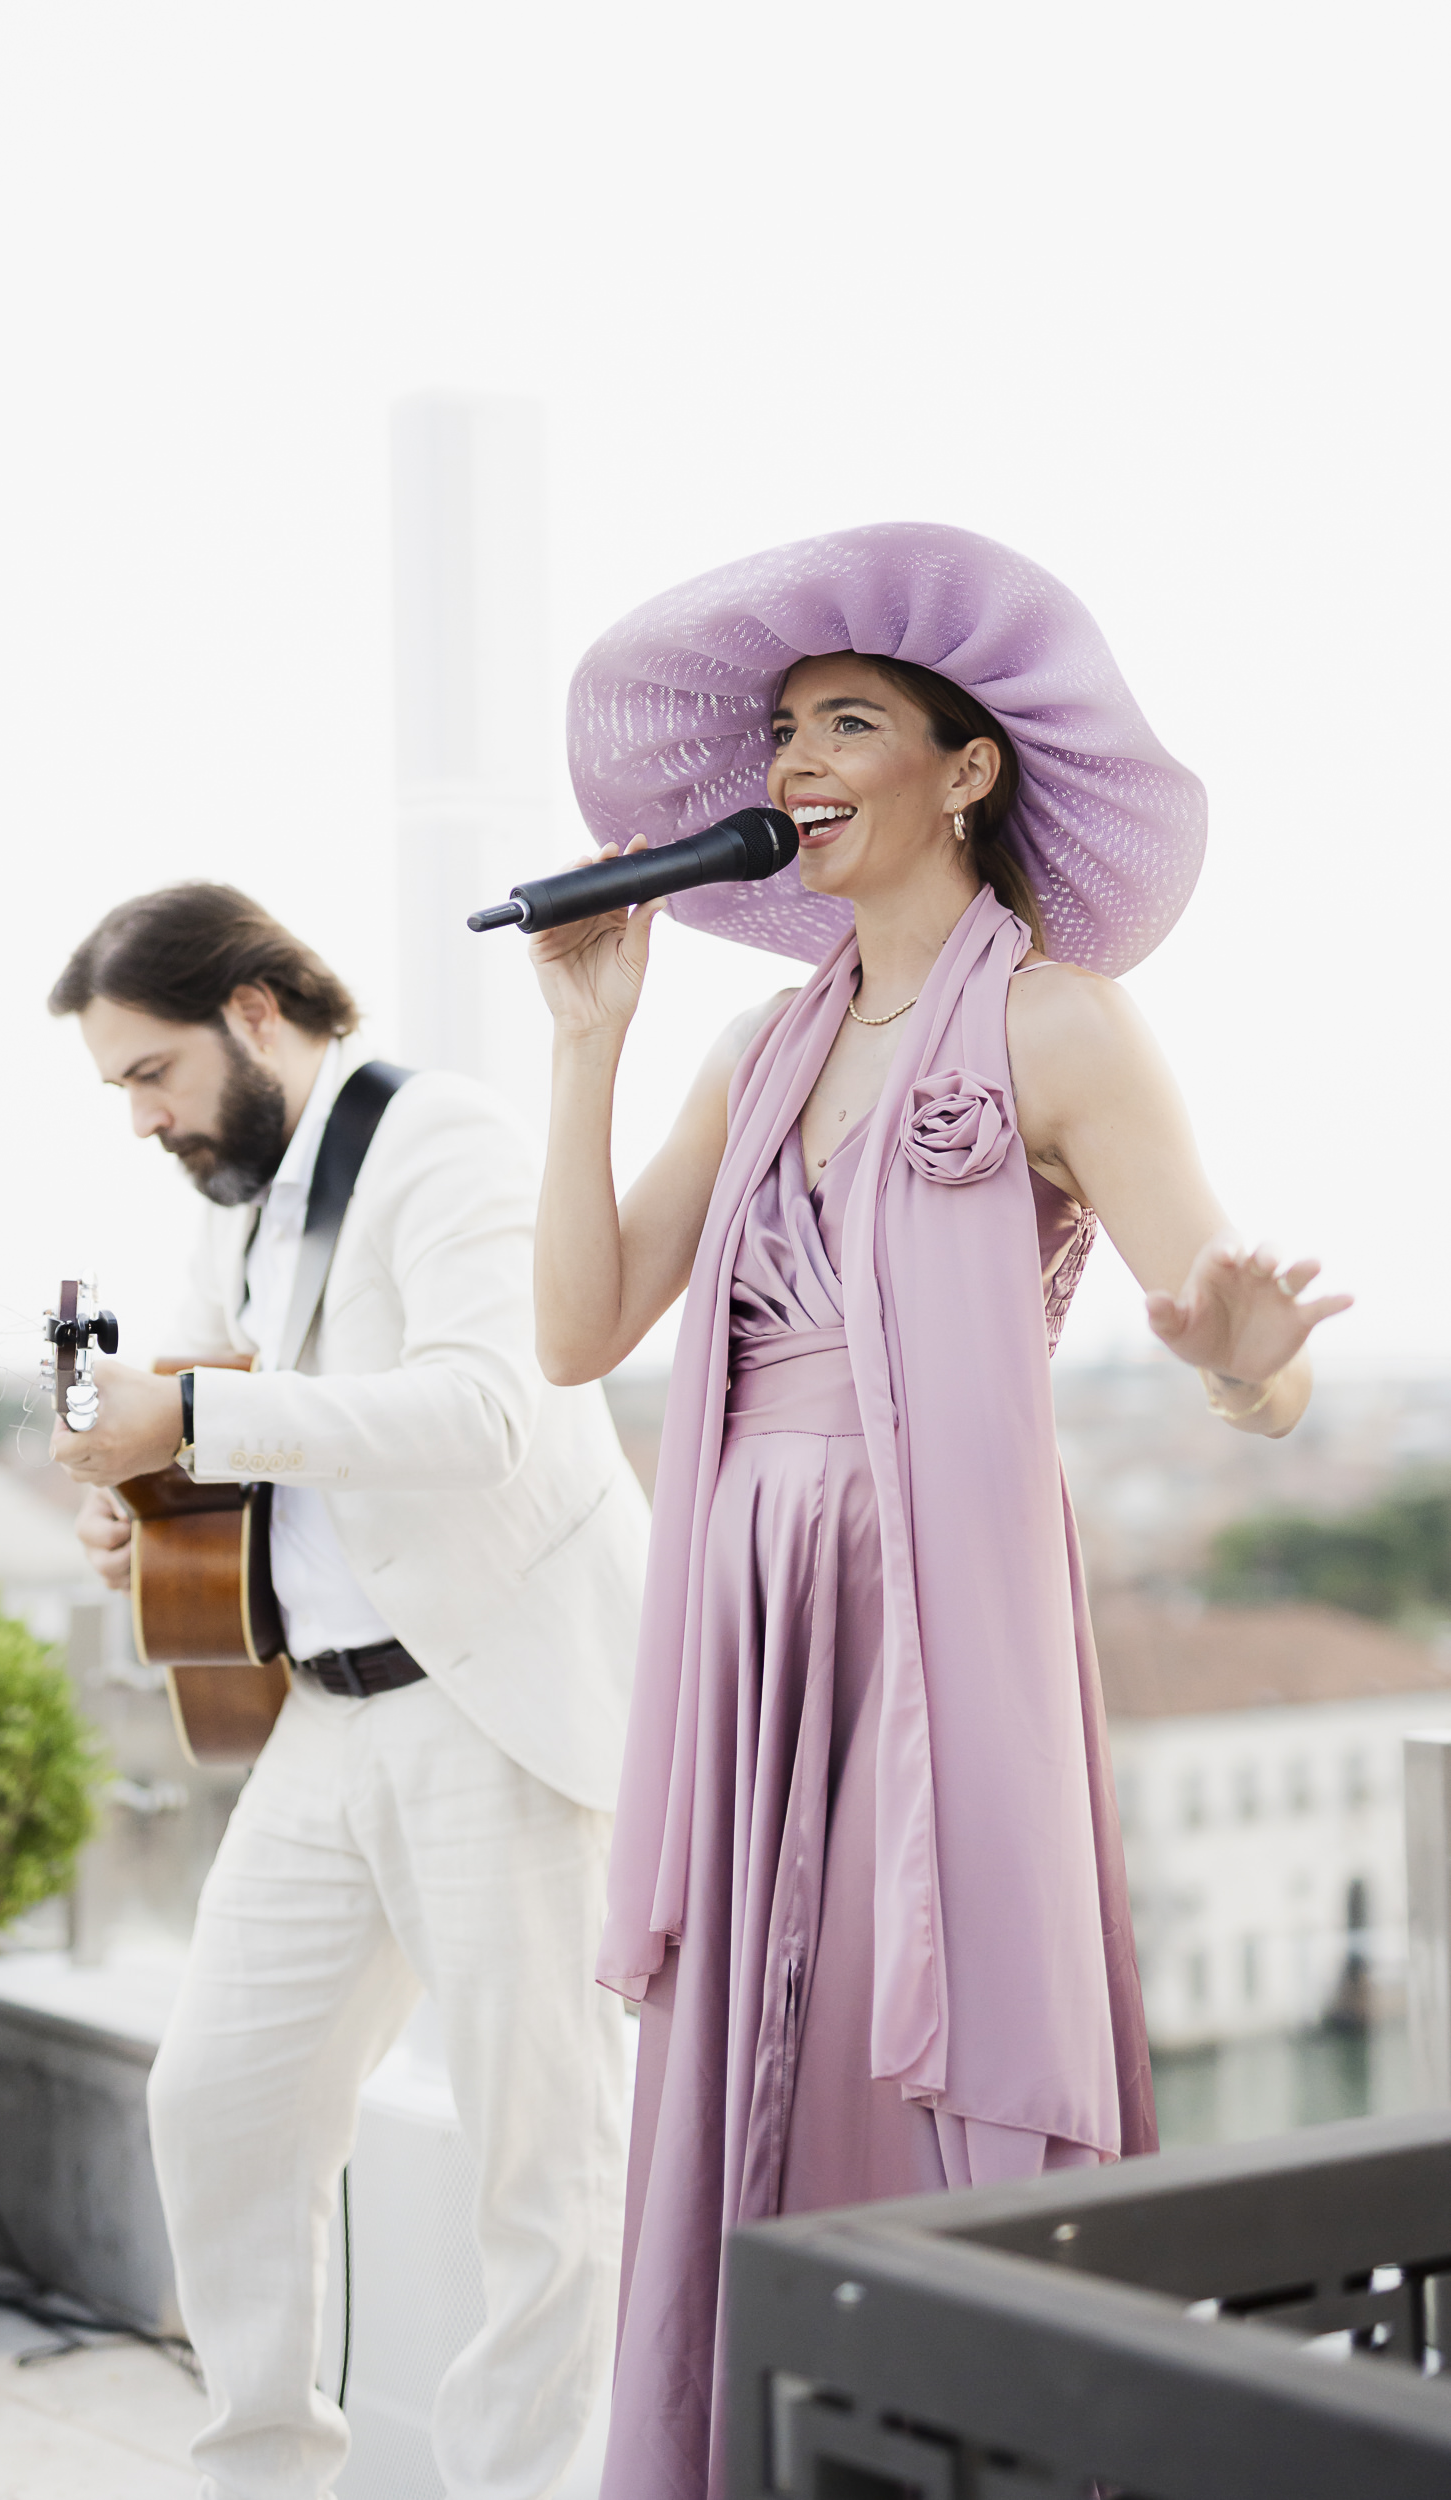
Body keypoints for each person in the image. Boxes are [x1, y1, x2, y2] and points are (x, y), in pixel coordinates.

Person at [528, 523, 1352, 2500]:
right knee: (748, 2064)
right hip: (742, 1630)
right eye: (780, 735)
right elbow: (574, 1330)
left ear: (963, 767)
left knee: (927, 2041)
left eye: (845, 724)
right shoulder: (757, 1044)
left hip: (933, 1628)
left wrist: (1243, 1348)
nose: (791, 767)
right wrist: (586, 1037)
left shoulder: (1055, 1024)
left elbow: (1258, 1372)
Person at [44, 881, 648, 2500]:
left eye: (149, 1073)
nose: (142, 1119)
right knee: (219, 2105)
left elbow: (480, 1417)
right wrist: (132, 1499)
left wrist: (190, 1426)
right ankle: (264, 2478)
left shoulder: (445, 1142)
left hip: (494, 1706)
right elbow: (195, 1426)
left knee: (546, 2170)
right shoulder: (234, 1203)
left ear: (255, 1011)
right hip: (321, 1717)